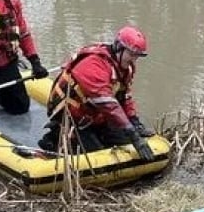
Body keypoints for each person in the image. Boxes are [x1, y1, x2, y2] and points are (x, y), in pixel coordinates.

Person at [36, 25, 156, 161]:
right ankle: (55, 137)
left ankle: (95, 134)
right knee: (96, 154)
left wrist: (134, 122)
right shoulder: (93, 64)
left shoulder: (126, 68)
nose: (134, 60)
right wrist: (132, 133)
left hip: (95, 115)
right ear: (119, 48)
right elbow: (107, 103)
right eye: (131, 55)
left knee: (123, 140)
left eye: (137, 56)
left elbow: (125, 97)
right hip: (74, 116)